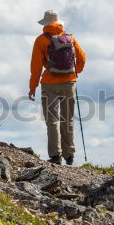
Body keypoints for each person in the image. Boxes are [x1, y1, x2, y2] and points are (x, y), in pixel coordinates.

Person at [29, 10, 86, 165]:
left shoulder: (41, 40)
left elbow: (36, 66)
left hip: (49, 84)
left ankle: (56, 156)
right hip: (69, 83)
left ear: (45, 23)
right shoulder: (70, 37)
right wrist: (74, 73)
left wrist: (33, 86)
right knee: (67, 119)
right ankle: (70, 155)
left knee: (52, 120)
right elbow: (82, 58)